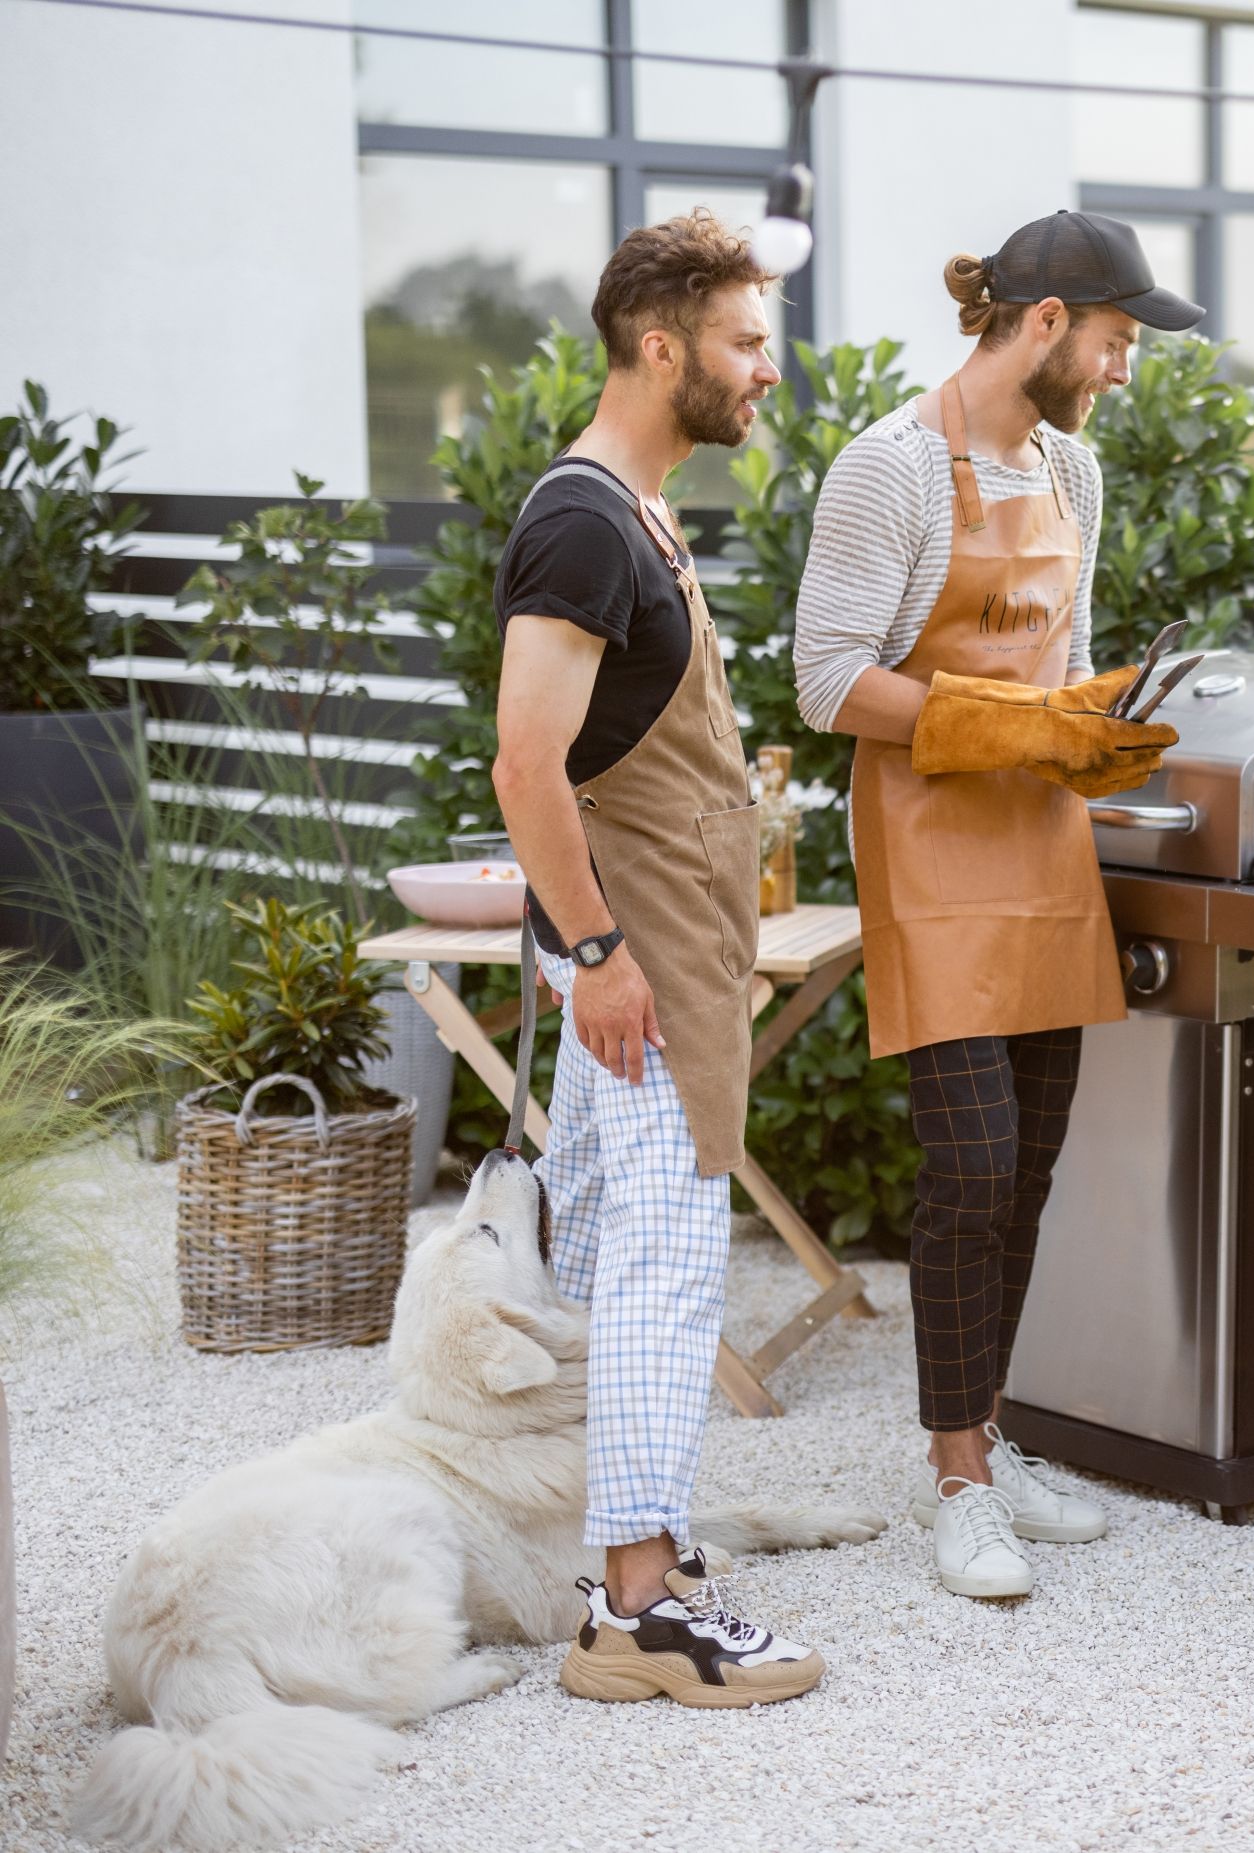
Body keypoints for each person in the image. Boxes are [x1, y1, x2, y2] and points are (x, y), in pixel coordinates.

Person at [792, 211, 1198, 1600]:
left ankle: (993, 1435)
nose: (1123, 367)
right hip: (930, 845)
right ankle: (956, 1480)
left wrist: (1096, 728)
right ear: (1045, 326)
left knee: (1026, 1169)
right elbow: (829, 682)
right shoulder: (890, 472)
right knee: (964, 1165)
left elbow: (1061, 666)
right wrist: (1015, 726)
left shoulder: (1070, 469)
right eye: (1117, 338)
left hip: (1042, 848)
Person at [489, 211, 826, 1702]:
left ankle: (637, 1561)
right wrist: (604, 951)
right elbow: (524, 763)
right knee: (664, 1272)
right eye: (749, 343)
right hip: (646, 960)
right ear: (660, 344)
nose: (770, 371)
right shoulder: (581, 520)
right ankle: (640, 1615)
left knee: (621, 1244)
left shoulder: (634, 510)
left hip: (665, 948)